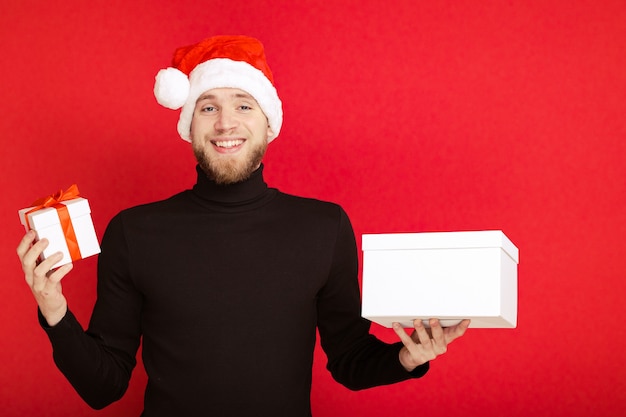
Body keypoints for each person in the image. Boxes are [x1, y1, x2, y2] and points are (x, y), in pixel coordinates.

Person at [17, 35, 470, 417]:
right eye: (208, 108)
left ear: (269, 124)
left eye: (244, 106)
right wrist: (54, 310)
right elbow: (104, 387)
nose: (226, 122)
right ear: (189, 125)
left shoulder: (324, 227)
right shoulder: (134, 233)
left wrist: (408, 357)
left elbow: (349, 360)